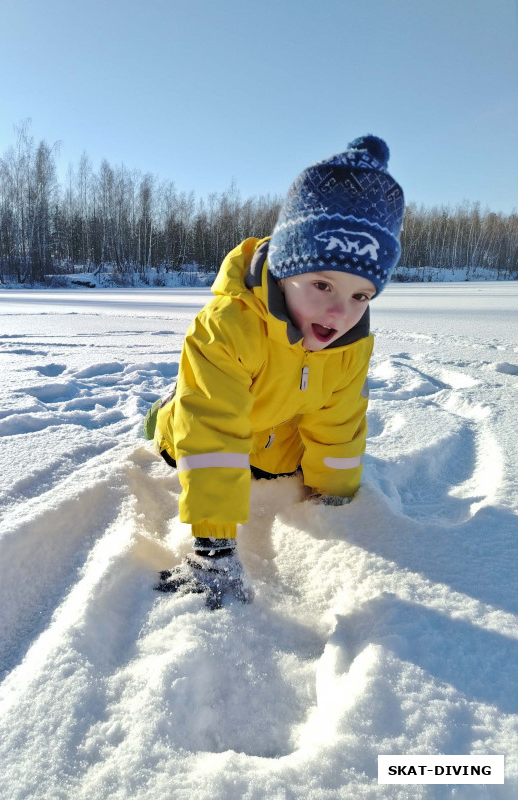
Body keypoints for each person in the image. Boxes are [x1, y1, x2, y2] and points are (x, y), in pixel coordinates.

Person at [144, 135, 405, 609]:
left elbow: (339, 428)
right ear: (285, 269)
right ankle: (163, 408)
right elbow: (212, 434)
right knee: (181, 429)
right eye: (322, 284)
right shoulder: (229, 326)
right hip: (214, 423)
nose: (338, 312)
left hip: (276, 437)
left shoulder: (351, 346)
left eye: (360, 296)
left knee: (292, 462)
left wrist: (335, 507)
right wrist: (214, 548)